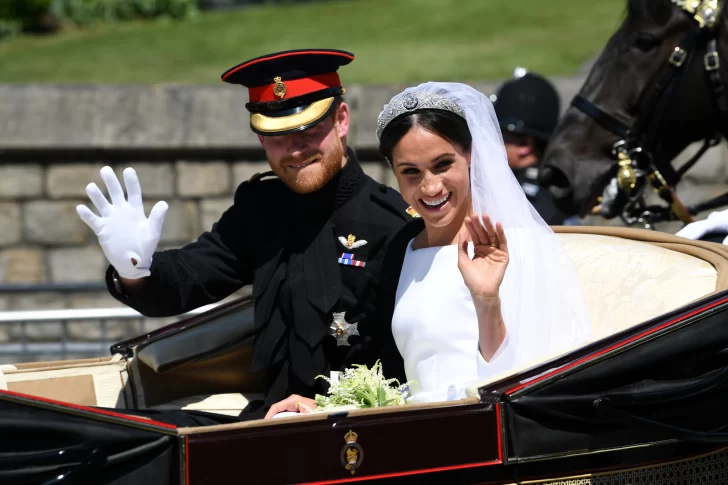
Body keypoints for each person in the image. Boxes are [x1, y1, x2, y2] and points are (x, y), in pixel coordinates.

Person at [75, 49, 415, 421]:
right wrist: (136, 270)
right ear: (260, 140)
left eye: (309, 130)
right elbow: (193, 276)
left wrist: (337, 406)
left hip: (362, 428)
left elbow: (414, 361)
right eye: (278, 136)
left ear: (342, 120)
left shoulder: (393, 223)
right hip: (268, 422)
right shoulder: (260, 209)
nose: (296, 149)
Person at [265, 82, 593, 416]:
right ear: (394, 172)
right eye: (411, 172)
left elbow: (537, 384)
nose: (430, 186)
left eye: (442, 164)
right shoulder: (400, 252)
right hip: (411, 431)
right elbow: (393, 379)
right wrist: (325, 406)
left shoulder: (519, 245)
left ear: (470, 156)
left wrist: (487, 301)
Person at [492, 70, 576, 226]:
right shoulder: (557, 187)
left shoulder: (528, 202)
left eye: (498, 135)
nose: (490, 142)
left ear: (524, 145)